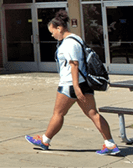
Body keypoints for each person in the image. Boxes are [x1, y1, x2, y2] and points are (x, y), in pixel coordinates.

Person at [25, 10, 120, 155]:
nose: (52, 35)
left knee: (58, 113)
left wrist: (76, 88)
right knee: (93, 113)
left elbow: (74, 64)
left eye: (52, 32)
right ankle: (110, 144)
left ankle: (45, 140)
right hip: (83, 83)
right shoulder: (77, 38)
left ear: (59, 28)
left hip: (70, 84)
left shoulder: (68, 44)